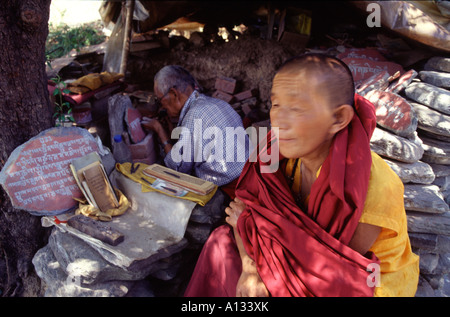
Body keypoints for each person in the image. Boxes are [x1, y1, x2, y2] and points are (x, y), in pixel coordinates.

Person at [184, 53, 419, 297]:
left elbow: (322, 270)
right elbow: (244, 210)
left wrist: (249, 227)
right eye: (276, 105)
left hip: (360, 281)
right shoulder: (278, 155)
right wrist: (249, 266)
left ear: (338, 118)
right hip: (287, 259)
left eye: (296, 108)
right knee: (221, 241)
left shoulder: (374, 187)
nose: (279, 121)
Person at [142, 65, 251, 195]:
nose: (162, 106)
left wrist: (160, 130)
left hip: (233, 186)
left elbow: (178, 167)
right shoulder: (214, 103)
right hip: (248, 172)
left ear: (174, 93)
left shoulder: (195, 115)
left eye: (160, 100)